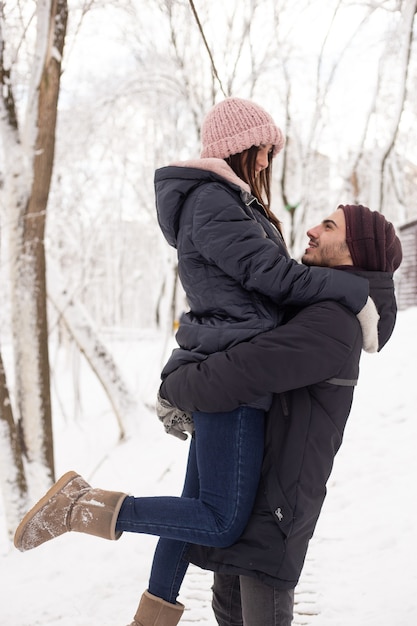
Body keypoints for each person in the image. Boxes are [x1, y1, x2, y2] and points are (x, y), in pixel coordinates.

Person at [13, 98, 376, 626]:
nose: (268, 162)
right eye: (265, 150)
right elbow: (275, 280)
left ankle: (152, 614)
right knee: (220, 519)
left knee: (191, 509)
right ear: (242, 147)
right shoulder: (214, 204)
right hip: (233, 374)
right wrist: (355, 292)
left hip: (231, 362)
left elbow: (267, 282)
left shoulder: (230, 204)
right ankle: (80, 505)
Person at [158, 204, 402, 626]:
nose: (311, 230)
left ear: (355, 250)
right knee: (229, 612)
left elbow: (242, 371)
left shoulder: (333, 322)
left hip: (275, 505)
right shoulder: (318, 306)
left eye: (328, 227)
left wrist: (173, 387)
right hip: (253, 488)